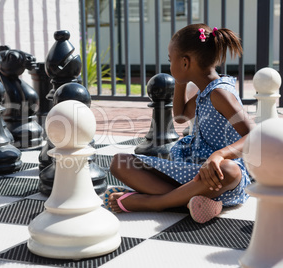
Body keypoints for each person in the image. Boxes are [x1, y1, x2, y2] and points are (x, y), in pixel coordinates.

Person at [105, 24, 255, 224]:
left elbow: (255, 135)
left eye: (170, 60)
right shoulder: (205, 91)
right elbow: (181, 116)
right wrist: (180, 80)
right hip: (193, 172)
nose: (169, 65)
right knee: (119, 162)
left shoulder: (220, 93)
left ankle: (154, 203)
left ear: (185, 62)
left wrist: (219, 155)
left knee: (230, 170)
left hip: (218, 178)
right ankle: (194, 202)